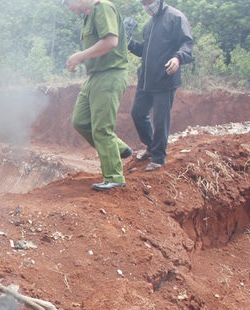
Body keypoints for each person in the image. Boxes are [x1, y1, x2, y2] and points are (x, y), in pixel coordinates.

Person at [63, 0, 132, 191]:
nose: (67, 7)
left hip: (110, 74)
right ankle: (119, 149)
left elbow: (111, 41)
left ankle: (114, 176)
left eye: (66, 2)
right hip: (95, 76)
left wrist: (80, 56)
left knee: (101, 128)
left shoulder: (102, 7)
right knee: (81, 120)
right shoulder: (87, 15)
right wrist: (79, 59)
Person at [127, 0, 193, 172]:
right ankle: (151, 146)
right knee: (137, 112)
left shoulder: (175, 17)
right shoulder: (149, 24)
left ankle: (158, 158)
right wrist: (129, 43)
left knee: (161, 119)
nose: (144, 5)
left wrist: (178, 58)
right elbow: (145, 50)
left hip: (165, 78)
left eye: (146, 2)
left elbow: (187, 44)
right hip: (146, 79)